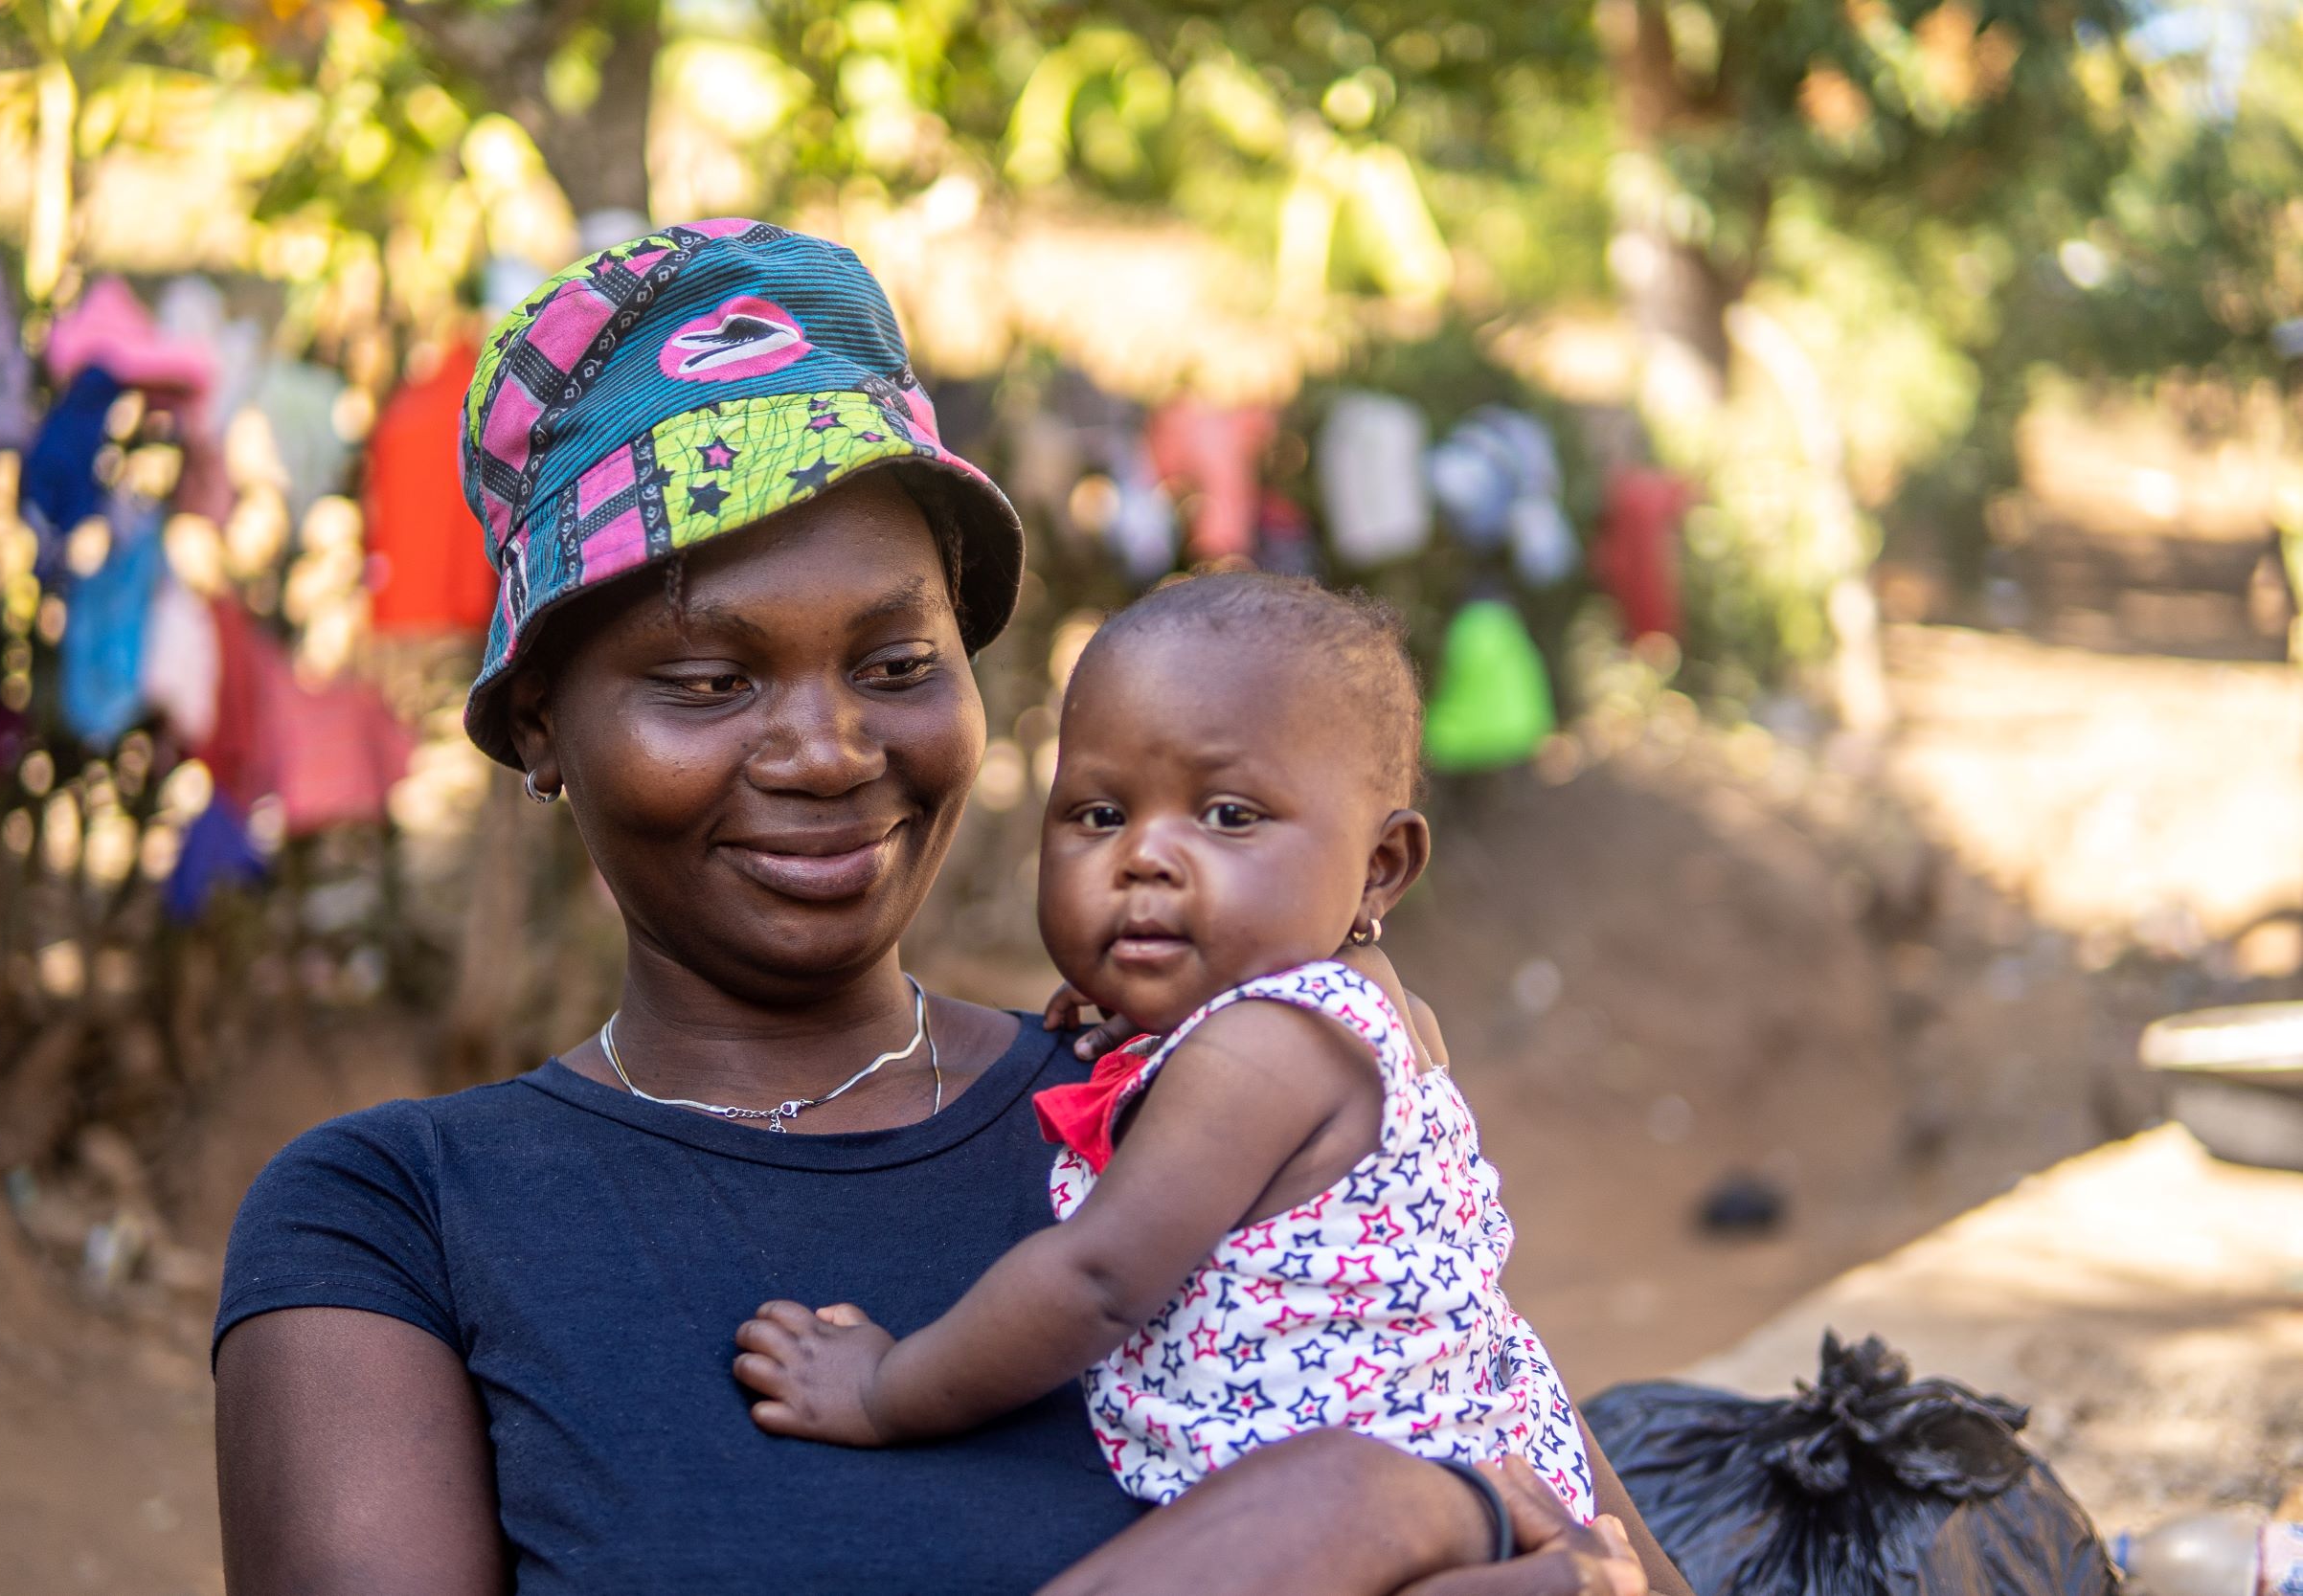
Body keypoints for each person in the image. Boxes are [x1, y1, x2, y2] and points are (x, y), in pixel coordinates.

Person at [213, 219, 1688, 1596]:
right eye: (710, 681)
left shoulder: (1202, 1118)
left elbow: (1573, 1523)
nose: (829, 748)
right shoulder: (403, 1217)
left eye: (897, 663)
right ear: (540, 721)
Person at [733, 574, 1594, 1521]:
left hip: (1334, 1522)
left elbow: (1096, 1279)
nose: (1142, 856)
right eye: (1100, 815)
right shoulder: (1371, 1016)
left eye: (1228, 815)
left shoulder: (1265, 1050)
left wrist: (884, 1388)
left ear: (1378, 868)